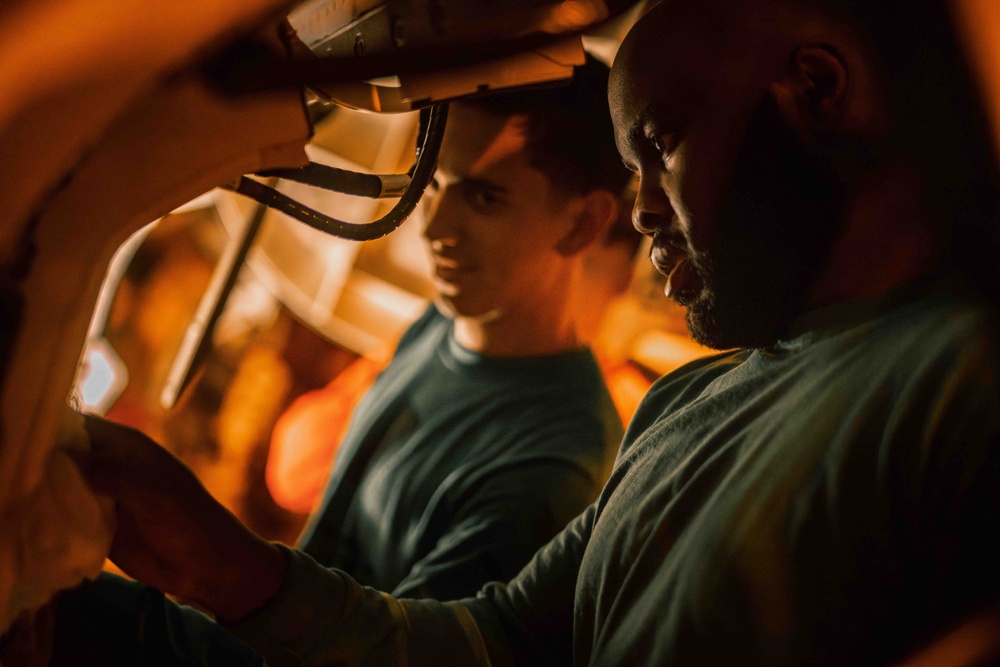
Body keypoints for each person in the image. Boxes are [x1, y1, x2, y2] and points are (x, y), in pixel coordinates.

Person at [68, 0, 1000, 665]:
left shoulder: (959, 382)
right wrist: (235, 578)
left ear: (817, 85)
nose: (639, 215)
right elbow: (500, 639)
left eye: (662, 146)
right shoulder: (696, 396)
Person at [283, 57, 630, 599]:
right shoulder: (438, 324)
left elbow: (392, 649)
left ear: (583, 224)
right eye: (434, 181)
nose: (435, 227)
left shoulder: (554, 465)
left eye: (484, 197)